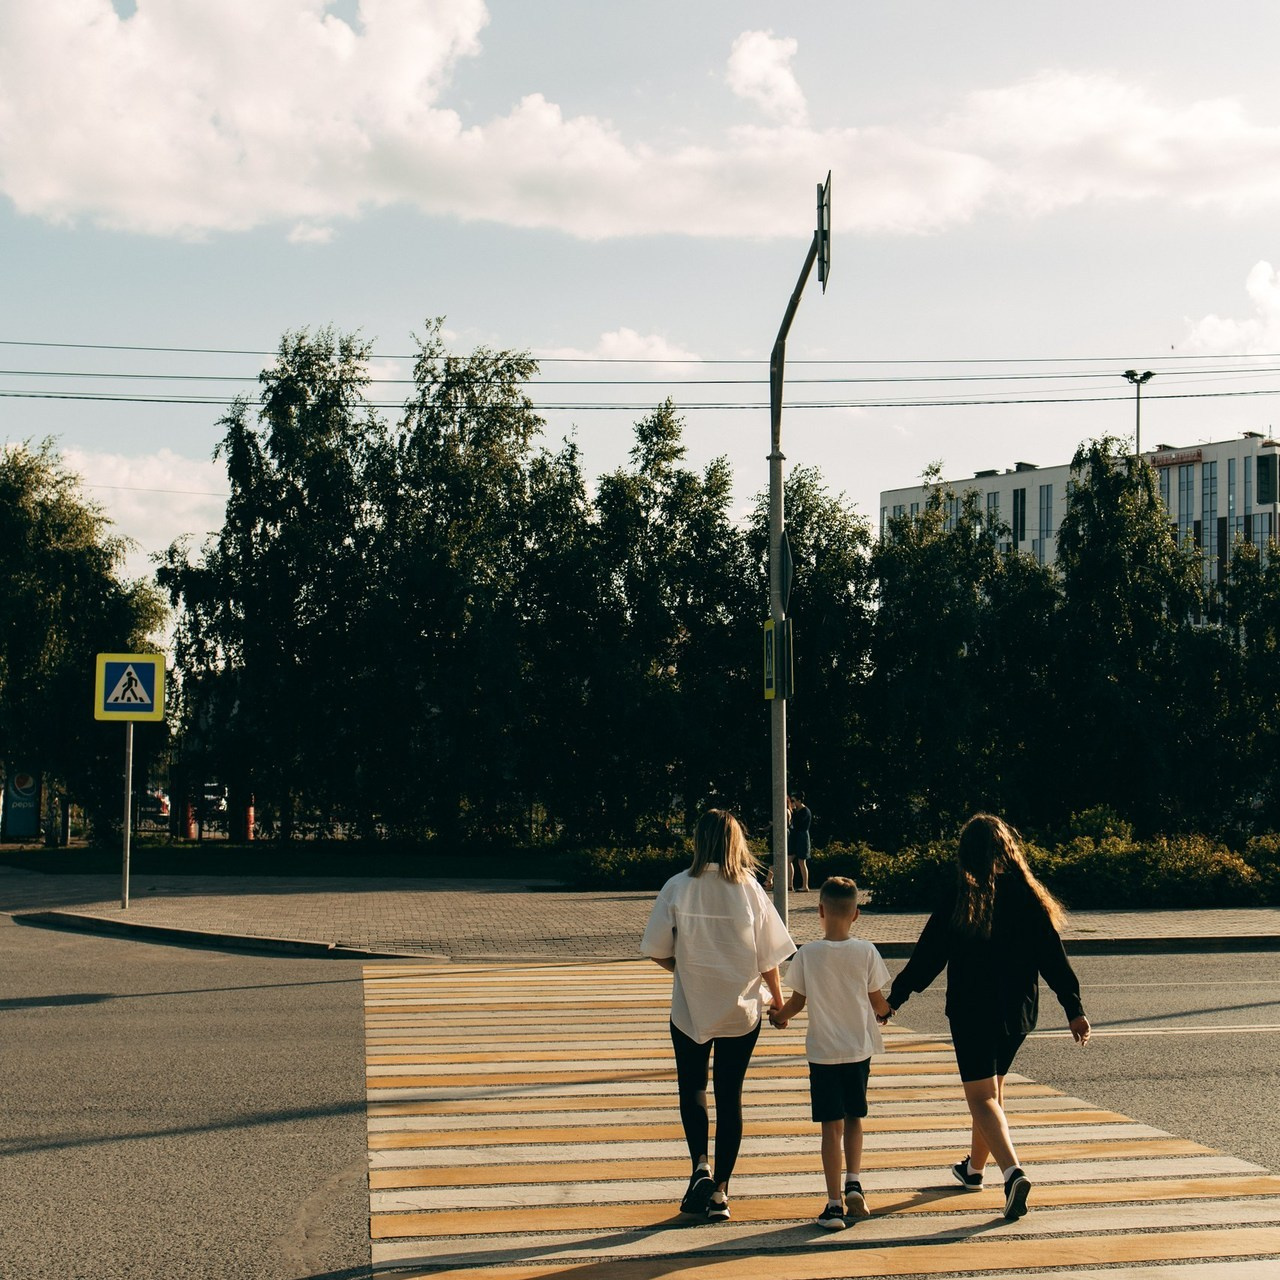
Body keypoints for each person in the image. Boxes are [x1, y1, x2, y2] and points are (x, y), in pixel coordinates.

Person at [885, 813, 1091, 1221]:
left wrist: (895, 998)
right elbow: (1053, 956)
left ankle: (1012, 1173)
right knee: (991, 1093)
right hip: (1017, 1012)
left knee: (981, 1097)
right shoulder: (1028, 896)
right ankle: (974, 1169)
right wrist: (1074, 1008)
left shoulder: (961, 894)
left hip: (972, 1010)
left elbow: (929, 955)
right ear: (1007, 849)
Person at [640, 809, 795, 1223]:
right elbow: (770, 956)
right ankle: (721, 1192)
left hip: (690, 1007)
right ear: (735, 842)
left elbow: (657, 948)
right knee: (731, 1097)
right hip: (741, 1010)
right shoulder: (750, 890)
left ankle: (699, 1169)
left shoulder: (677, 887)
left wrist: (683, 969)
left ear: (698, 841)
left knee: (692, 1088)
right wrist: (778, 1001)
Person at [769, 877, 891, 1229]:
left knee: (830, 1128)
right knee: (855, 1117)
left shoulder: (807, 954)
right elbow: (877, 1000)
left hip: (823, 1053)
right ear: (856, 915)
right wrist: (885, 1013)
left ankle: (834, 1203)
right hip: (857, 1050)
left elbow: (797, 1002)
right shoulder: (866, 951)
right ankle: (855, 1180)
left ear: (820, 911)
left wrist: (779, 1017)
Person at [788, 794, 813, 891]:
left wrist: (793, 811)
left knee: (801, 861)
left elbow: (798, 824)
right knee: (788, 860)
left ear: (799, 801)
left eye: (794, 801)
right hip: (795, 837)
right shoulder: (796, 811)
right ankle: (789, 884)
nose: (793, 803)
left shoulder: (805, 811)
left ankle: (805, 885)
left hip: (802, 838)